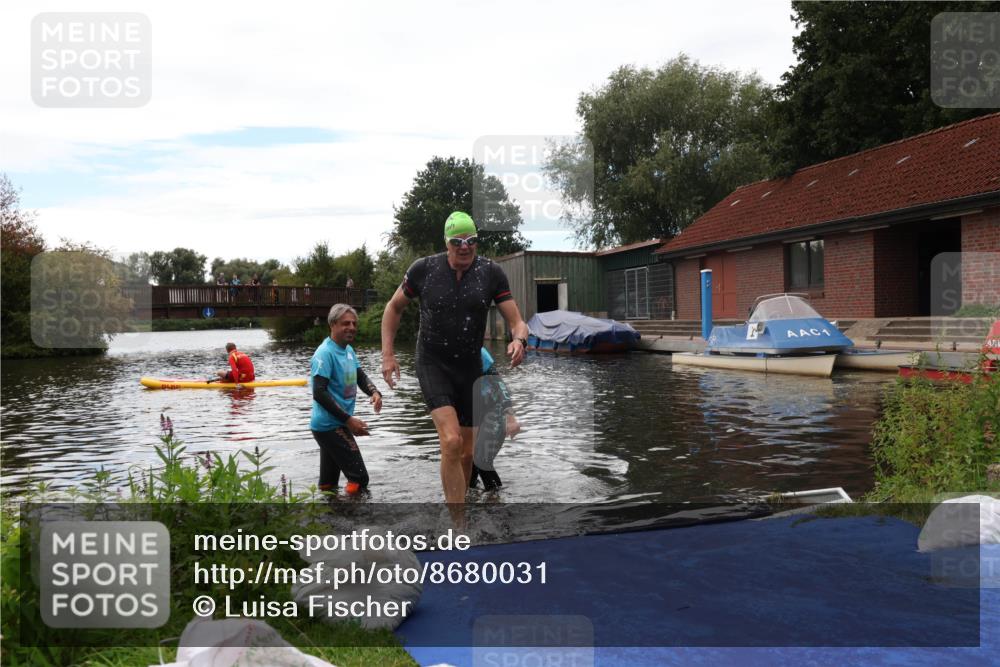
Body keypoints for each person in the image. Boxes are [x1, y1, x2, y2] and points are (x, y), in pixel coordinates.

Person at [381, 211, 529, 504]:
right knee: (451, 441)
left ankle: (461, 511)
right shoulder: (424, 270)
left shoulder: (491, 273)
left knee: (469, 453)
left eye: (471, 240)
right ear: (446, 243)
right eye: (457, 241)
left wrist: (519, 340)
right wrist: (388, 354)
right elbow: (393, 308)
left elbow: (517, 321)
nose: (465, 247)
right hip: (432, 362)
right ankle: (456, 527)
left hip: (470, 366)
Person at [311, 304, 383, 495]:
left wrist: (375, 392)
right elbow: (319, 393)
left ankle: (329, 516)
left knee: (328, 482)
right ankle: (354, 520)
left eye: (354, 323)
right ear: (333, 324)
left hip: (334, 424)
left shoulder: (348, 350)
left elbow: (359, 376)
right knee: (359, 478)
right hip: (330, 425)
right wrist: (348, 420)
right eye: (345, 323)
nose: (351, 327)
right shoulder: (324, 354)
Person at [469, 347, 521, 491]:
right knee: (469, 464)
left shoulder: (478, 351)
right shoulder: (441, 354)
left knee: (481, 460)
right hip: (473, 414)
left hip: (495, 410)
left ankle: (497, 502)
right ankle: (472, 505)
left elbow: (500, 386)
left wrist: (511, 419)